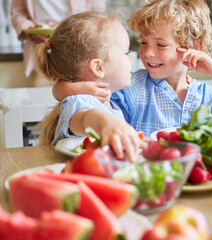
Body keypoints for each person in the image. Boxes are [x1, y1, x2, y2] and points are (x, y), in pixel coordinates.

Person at [53, 0, 212, 137]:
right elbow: (81, 103)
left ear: (195, 47)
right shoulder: (131, 86)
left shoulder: (206, 96)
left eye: (161, 45)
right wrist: (65, 89)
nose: (147, 53)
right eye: (143, 42)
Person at [36, 11, 141, 162]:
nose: (131, 59)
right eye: (126, 52)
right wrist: (107, 122)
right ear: (98, 67)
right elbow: (87, 118)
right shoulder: (79, 102)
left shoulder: (113, 97)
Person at [11, 0, 106, 87]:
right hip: (42, 53)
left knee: (84, 98)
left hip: (81, 49)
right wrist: (30, 30)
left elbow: (98, 13)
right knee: (45, 97)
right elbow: (17, 13)